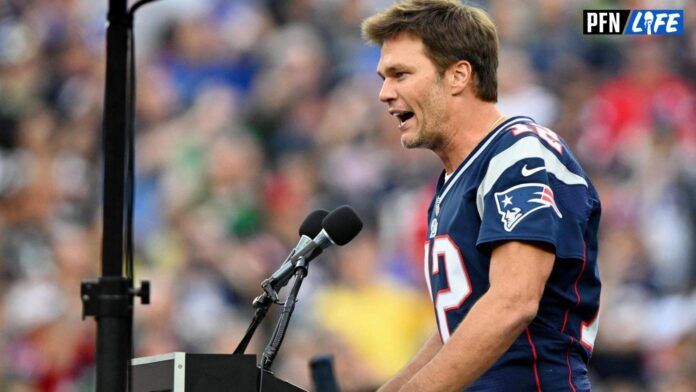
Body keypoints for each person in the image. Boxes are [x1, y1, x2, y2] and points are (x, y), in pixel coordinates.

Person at [361, 1, 601, 391]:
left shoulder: (520, 155)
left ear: (458, 75)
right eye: (383, 77)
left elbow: (512, 303)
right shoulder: (459, 176)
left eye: (400, 74)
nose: (385, 93)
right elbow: (456, 330)